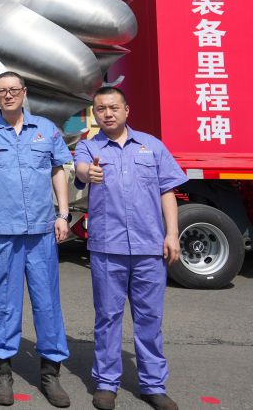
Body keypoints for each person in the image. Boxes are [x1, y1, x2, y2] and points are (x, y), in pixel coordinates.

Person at [73, 87, 184, 410]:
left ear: (126, 110)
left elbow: (167, 191)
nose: (107, 114)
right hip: (108, 248)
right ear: (95, 114)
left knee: (149, 318)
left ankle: (153, 385)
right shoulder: (88, 147)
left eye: (113, 107)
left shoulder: (152, 146)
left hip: (149, 247)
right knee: (107, 317)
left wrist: (172, 234)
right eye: (100, 109)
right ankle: (106, 383)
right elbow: (81, 171)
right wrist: (89, 172)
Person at [0, 71, 72, 408]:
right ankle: (3, 374)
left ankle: (50, 373)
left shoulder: (45, 129)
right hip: (4, 232)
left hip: (42, 230)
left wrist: (63, 214)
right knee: (3, 303)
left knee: (47, 302)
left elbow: (58, 169)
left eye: (14, 89)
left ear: (24, 92)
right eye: (2, 90)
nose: (8, 94)